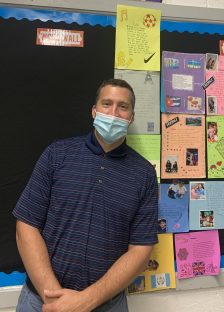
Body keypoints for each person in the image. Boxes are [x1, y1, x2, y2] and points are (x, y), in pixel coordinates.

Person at [12, 79, 158, 312]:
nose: (113, 112)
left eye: (123, 106)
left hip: (107, 305)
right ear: (94, 111)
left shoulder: (145, 175)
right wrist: (54, 300)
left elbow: (140, 250)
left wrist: (87, 300)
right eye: (106, 103)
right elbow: (26, 226)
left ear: (131, 117)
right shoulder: (57, 155)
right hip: (41, 301)